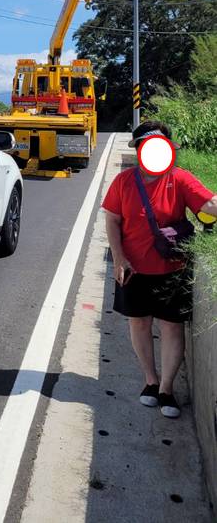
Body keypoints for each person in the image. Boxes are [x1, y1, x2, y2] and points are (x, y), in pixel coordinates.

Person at [102, 120, 217, 418]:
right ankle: (150, 381)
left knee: (171, 327)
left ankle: (166, 389)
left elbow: (209, 204)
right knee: (138, 324)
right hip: (132, 269)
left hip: (172, 270)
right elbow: (113, 220)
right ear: (140, 150)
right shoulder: (124, 182)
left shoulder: (180, 180)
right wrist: (119, 257)